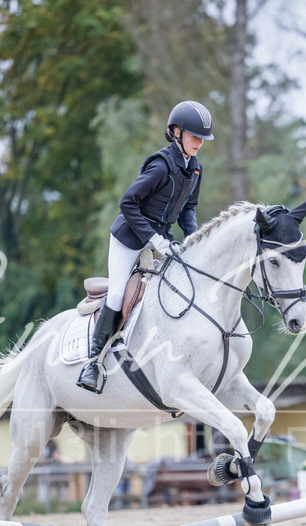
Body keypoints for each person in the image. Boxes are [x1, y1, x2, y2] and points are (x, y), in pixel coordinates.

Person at [78, 101, 214, 392]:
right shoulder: (160, 165)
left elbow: (188, 210)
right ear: (176, 133)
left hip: (162, 239)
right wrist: (154, 240)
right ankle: (94, 362)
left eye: (203, 139)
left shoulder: (196, 169)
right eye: (194, 136)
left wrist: (194, 242)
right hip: (130, 237)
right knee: (117, 293)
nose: (199, 143)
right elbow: (128, 203)